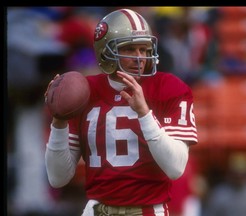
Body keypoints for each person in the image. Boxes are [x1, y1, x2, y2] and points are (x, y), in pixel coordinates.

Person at [44, 8, 198, 216]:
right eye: (130, 49)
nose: (139, 58)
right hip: (96, 210)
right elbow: (57, 177)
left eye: (144, 49)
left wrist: (144, 113)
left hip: (147, 210)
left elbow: (175, 168)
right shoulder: (83, 91)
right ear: (105, 52)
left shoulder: (168, 88)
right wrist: (59, 121)